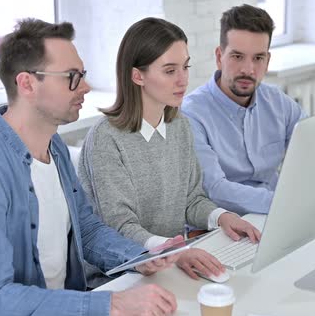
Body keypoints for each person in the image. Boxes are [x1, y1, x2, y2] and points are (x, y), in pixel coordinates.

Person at [0, 18, 181, 316]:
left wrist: (138, 257)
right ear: (27, 83)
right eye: (71, 76)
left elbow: (86, 229)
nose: (85, 86)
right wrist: (111, 305)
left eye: (82, 75)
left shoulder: (54, 148)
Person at [78, 17, 261, 281]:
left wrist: (222, 217)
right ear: (137, 75)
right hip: (121, 276)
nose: (183, 80)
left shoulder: (180, 126)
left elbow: (192, 200)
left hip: (168, 265)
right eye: (169, 70)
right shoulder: (106, 138)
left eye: (185, 67)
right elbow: (119, 226)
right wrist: (174, 250)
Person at [182, 4, 307, 215]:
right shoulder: (191, 114)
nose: (248, 70)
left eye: (258, 58)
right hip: (226, 225)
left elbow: (313, 147)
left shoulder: (278, 102)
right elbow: (215, 188)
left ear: (267, 62)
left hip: (276, 214)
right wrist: (286, 203)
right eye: (237, 56)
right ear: (219, 57)